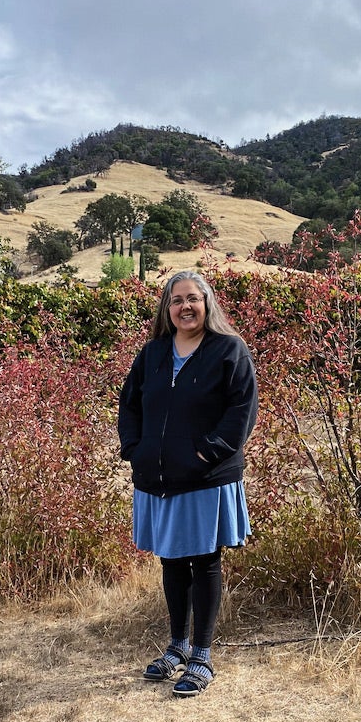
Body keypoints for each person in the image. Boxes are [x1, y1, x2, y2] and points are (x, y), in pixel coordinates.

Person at [117, 270, 258, 697]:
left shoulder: (228, 350)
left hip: (205, 477)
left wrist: (205, 453)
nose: (185, 307)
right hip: (156, 478)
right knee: (171, 561)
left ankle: (201, 656)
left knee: (204, 561)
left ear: (207, 303)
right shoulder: (153, 353)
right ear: (167, 308)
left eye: (193, 299)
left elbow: (241, 411)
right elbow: (130, 405)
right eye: (176, 300)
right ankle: (176, 647)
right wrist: (135, 449)